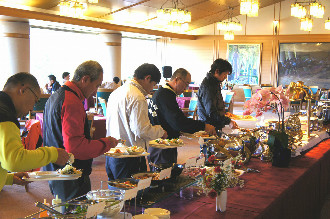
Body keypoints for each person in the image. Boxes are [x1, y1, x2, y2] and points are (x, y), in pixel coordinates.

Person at [43, 60, 118, 201]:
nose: (95, 90)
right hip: (70, 173)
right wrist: (106, 143)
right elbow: (76, 147)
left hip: (55, 168)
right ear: (85, 79)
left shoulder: (57, 95)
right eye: (96, 85)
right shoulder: (71, 101)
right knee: (76, 212)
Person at [0, 72, 70, 192]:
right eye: (35, 100)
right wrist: (53, 154)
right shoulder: (5, 115)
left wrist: (7, 178)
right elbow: (14, 160)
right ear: (23, 90)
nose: (32, 108)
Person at [105, 63, 167, 180]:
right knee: (133, 195)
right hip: (130, 156)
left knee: (116, 193)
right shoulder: (137, 96)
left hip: (113, 152)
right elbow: (141, 130)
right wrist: (160, 131)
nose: (151, 89)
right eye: (153, 84)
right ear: (147, 78)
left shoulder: (117, 92)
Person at [148, 68, 217, 165]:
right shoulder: (165, 95)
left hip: (162, 142)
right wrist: (204, 126)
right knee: (164, 176)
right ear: (177, 79)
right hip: (162, 144)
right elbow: (178, 122)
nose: (186, 88)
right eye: (186, 83)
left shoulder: (164, 92)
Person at [197, 58, 239, 131]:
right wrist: (228, 121)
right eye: (225, 74)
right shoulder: (209, 85)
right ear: (217, 71)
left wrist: (224, 114)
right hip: (209, 125)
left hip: (214, 123)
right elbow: (211, 111)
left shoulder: (215, 83)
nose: (225, 77)